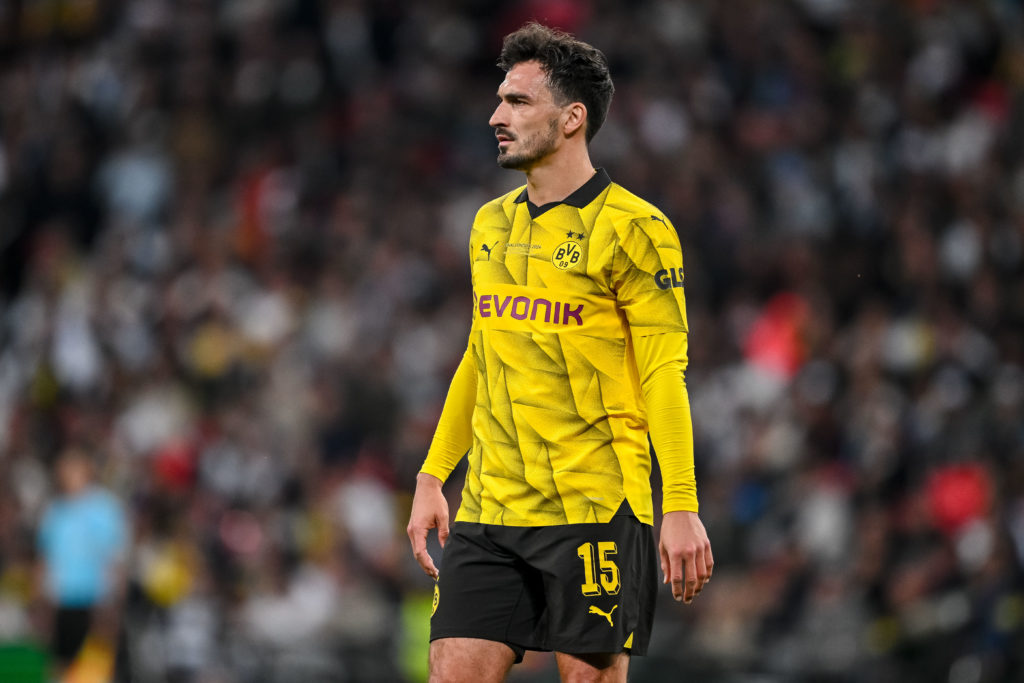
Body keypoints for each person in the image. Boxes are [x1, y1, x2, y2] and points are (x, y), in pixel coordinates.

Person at [406, 22, 713, 683]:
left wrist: (680, 502)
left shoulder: (637, 230)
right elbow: (480, 355)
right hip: (490, 511)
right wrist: (435, 473)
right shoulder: (490, 225)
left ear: (572, 118)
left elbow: (664, 371)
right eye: (499, 99)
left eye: (517, 101)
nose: (496, 116)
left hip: (594, 506)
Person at [36, 447, 128, 679]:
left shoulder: (105, 509)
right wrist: (42, 601)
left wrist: (114, 600)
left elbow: (115, 557)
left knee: (99, 666)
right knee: (62, 666)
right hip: (64, 600)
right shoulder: (55, 512)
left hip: (96, 601)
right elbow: (46, 558)